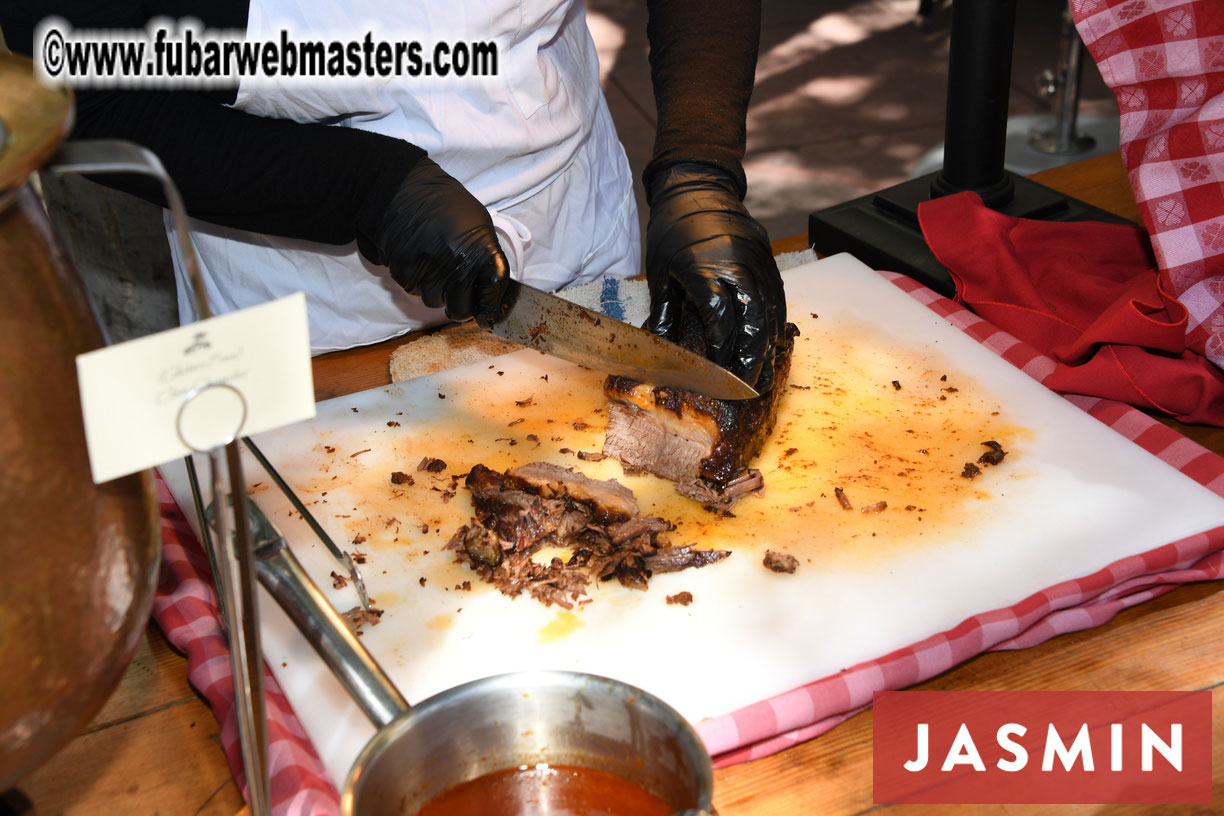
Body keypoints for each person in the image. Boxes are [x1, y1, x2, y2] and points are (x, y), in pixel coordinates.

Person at [2, 0, 787, 391]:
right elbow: (80, 88)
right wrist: (359, 188)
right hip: (303, 292)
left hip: (574, 220)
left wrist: (698, 171)